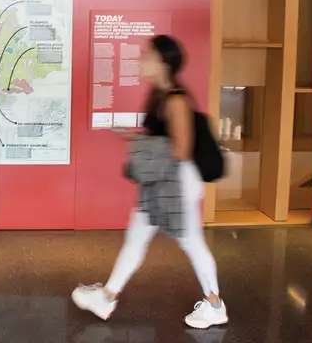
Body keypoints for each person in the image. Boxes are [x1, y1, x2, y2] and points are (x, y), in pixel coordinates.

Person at [71, 35, 228, 329]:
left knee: (190, 242)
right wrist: (133, 136)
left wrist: (141, 142)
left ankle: (215, 304)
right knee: (138, 237)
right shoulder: (160, 95)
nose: (141, 59)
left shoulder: (176, 99)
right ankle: (107, 296)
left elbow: (180, 149)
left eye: (147, 55)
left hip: (175, 183)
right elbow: (164, 140)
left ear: (163, 63)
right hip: (162, 179)